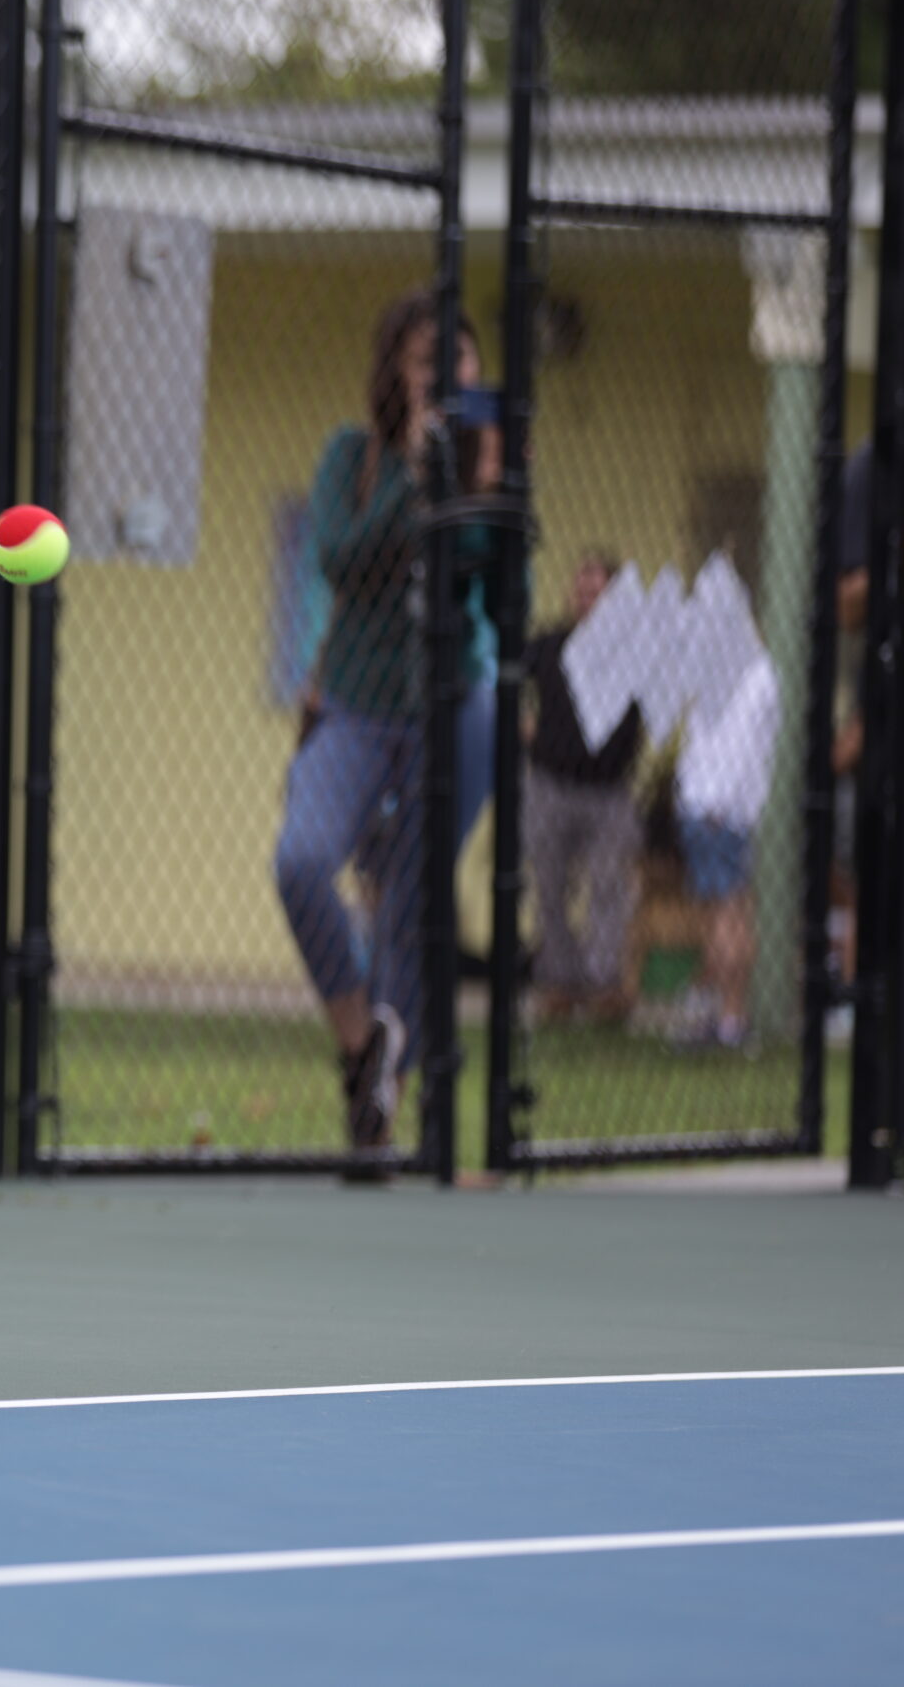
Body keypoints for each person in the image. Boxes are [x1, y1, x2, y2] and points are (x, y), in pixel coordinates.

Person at [272, 289, 501, 1179]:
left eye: (460, 361)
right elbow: (340, 556)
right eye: (423, 361)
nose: (444, 377)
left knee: (409, 901)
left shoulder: (491, 459)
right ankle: (365, 1045)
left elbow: (490, 572)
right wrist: (410, 471)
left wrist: (471, 479)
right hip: (359, 706)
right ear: (394, 375)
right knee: (302, 859)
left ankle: (384, 1114)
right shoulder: (353, 455)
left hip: (458, 706)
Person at [522, 552, 644, 1023]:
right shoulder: (552, 645)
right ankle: (559, 981)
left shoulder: (634, 653)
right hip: (551, 783)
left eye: (597, 592)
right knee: (549, 885)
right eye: (581, 590)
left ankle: (603, 983)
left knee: (609, 886)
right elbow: (506, 680)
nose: (585, 599)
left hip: (610, 789)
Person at [673, 651, 782, 1050]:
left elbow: (742, 745)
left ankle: (730, 1016)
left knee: (727, 913)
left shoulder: (750, 673)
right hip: (715, 805)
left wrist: (719, 801)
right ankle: (727, 1014)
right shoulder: (734, 670)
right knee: (725, 912)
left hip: (717, 806)